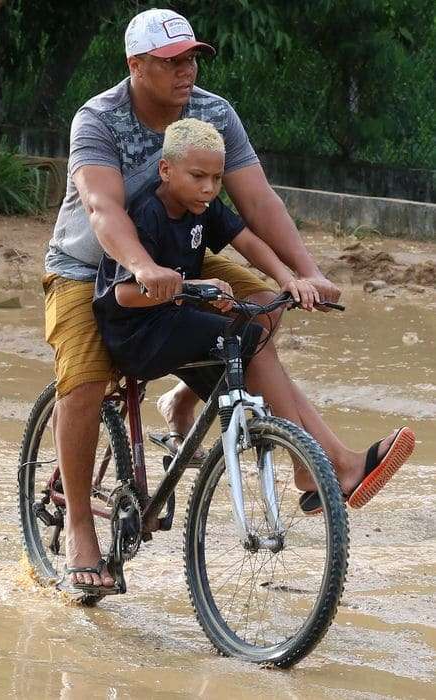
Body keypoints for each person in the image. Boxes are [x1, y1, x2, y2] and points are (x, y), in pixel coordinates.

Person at [42, 8, 387, 593]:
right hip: (93, 265)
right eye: (171, 62)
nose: (186, 72)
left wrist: (306, 272)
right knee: (83, 380)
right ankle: (80, 525)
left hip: (183, 254)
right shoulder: (99, 118)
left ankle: (198, 405)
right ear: (136, 66)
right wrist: (142, 266)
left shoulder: (213, 111)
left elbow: (255, 204)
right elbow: (103, 209)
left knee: (262, 307)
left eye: (192, 58)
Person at [87, 119, 414, 597]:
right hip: (138, 335)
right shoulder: (148, 214)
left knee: (255, 322)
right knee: (243, 340)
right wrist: (189, 286)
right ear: (165, 170)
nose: (208, 187)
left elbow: (249, 242)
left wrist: (290, 278)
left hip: (177, 320)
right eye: (197, 176)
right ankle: (319, 463)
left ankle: (307, 457)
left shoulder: (205, 208)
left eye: (216, 178)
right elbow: (124, 296)